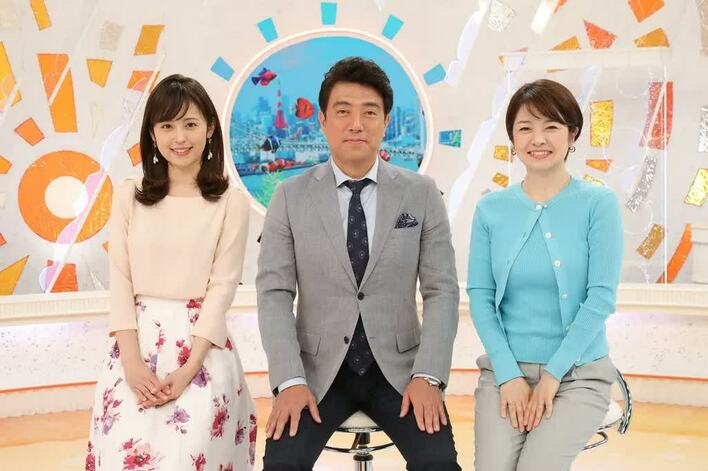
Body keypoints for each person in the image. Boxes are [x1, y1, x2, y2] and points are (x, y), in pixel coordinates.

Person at [257, 57, 461, 470]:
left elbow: (442, 291)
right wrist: (290, 380)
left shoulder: (421, 193)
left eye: (369, 112)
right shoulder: (289, 196)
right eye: (343, 111)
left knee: (438, 463)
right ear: (322, 120)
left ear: (385, 121)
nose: (356, 124)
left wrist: (428, 376)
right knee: (282, 463)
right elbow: (274, 293)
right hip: (316, 373)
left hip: (401, 370)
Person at [85, 74, 256, 470]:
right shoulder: (129, 194)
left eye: (190, 124)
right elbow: (120, 279)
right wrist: (131, 363)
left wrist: (188, 370)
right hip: (134, 347)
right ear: (152, 133)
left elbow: (222, 289)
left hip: (201, 351)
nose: (179, 137)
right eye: (167, 126)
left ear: (209, 128)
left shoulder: (230, 202)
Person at [467, 78, 624, 470]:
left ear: (572, 134)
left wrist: (553, 376)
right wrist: (508, 375)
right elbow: (480, 297)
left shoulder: (598, 204)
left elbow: (600, 298)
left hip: (577, 375)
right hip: (505, 373)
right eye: (525, 128)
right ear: (512, 139)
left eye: (551, 126)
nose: (538, 139)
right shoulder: (490, 210)